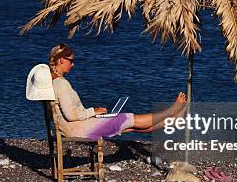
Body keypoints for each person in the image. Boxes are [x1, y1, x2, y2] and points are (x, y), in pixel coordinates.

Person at [47, 44, 186, 140]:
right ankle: (170, 112)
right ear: (61, 60)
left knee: (131, 126)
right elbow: (71, 115)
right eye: (71, 61)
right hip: (79, 129)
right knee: (128, 119)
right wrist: (93, 111)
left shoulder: (53, 82)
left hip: (75, 127)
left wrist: (93, 114)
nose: (73, 64)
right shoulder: (61, 84)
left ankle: (172, 121)